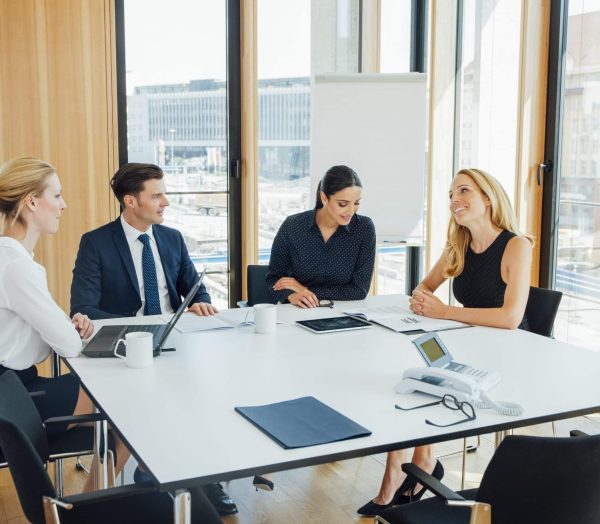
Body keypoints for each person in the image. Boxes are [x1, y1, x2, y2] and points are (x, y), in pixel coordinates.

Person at [358, 168, 532, 517]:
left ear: (488, 196)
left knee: (427, 381)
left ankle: (410, 470)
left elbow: (510, 318)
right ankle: (414, 465)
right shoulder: (460, 243)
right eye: (451, 194)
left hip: (510, 354)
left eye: (463, 191)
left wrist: (444, 311)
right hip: (472, 340)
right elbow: (424, 288)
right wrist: (425, 302)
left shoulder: (516, 245)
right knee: (414, 380)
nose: (454, 200)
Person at [70, 162, 236, 516]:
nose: (166, 202)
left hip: (178, 341)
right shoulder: (96, 243)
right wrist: (141, 327)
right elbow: (84, 307)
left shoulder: (172, 238)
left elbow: (193, 288)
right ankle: (115, 487)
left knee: (209, 393)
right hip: (128, 348)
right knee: (137, 409)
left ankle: (203, 476)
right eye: (157, 195)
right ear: (131, 201)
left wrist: (202, 302)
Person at [0, 157, 130, 491]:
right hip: (13, 397)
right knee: (128, 406)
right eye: (56, 196)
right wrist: (66, 330)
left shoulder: (11, 258)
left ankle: (93, 500)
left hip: (15, 386)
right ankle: (91, 506)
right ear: (31, 201)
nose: (63, 205)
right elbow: (68, 346)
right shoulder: (16, 267)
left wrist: (63, 326)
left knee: (117, 403)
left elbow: (43, 339)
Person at [267, 164, 376, 307]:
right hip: (297, 309)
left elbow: (359, 290)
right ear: (324, 198)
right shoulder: (293, 226)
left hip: (345, 312)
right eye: (343, 204)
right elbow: (273, 280)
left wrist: (303, 289)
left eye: (356, 203)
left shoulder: (364, 229)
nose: (351, 211)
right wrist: (291, 295)